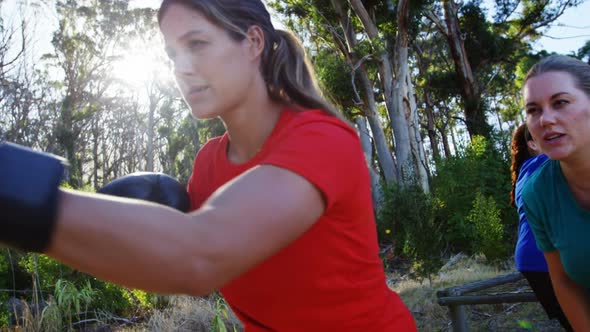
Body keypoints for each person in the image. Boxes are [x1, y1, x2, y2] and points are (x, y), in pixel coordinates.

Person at [0, 0, 416, 330]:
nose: (181, 68)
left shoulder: (322, 140)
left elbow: (199, 258)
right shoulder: (209, 165)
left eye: (197, 44)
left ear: (253, 43)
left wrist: (13, 191)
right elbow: (162, 260)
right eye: (172, 53)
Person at [521, 54, 590, 331]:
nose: (545, 119)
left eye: (560, 102)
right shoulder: (537, 192)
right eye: (533, 110)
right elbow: (564, 282)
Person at [510, 123, 571, 331]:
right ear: (533, 144)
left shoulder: (525, 173)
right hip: (546, 257)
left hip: (532, 259)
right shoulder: (547, 164)